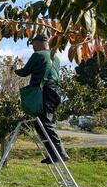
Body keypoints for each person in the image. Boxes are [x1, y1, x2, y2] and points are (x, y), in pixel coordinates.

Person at [15, 34, 69, 163]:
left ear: (39, 43)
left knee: (45, 124)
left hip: (44, 91)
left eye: (33, 44)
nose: (33, 48)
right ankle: (53, 154)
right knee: (40, 124)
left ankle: (60, 153)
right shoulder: (55, 57)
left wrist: (15, 69)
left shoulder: (38, 55)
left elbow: (24, 72)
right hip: (55, 92)